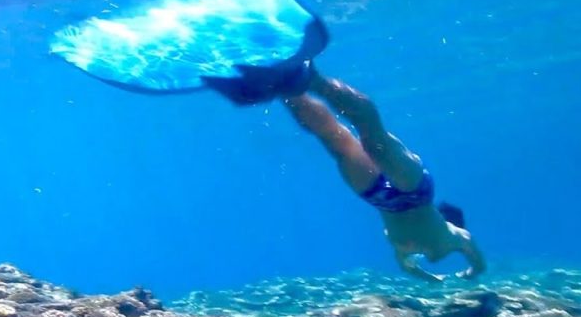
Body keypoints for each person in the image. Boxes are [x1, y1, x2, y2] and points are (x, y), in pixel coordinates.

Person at [203, 61, 486, 282]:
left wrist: (433, 279)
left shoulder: (406, 252)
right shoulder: (456, 236)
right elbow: (478, 264)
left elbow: (410, 269)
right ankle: (314, 79)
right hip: (417, 193)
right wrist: (469, 274)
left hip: (381, 200)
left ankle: (284, 87)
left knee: (335, 140)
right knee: (377, 144)